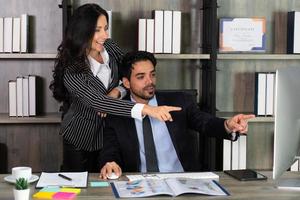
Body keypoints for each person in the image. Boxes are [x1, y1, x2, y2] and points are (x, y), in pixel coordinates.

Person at [49, 4, 181, 172]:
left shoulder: (109, 47)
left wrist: (118, 91)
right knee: (81, 189)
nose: (105, 35)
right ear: (82, 32)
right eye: (98, 30)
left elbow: (128, 76)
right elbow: (98, 102)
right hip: (81, 138)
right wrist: (147, 109)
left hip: (113, 133)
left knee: (110, 184)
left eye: (106, 28)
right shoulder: (72, 70)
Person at [99, 51, 255, 179]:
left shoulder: (179, 101)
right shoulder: (118, 112)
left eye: (152, 74)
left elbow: (205, 122)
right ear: (126, 83)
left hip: (183, 180)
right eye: (141, 77)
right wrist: (110, 162)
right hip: (140, 184)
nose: (150, 81)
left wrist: (228, 125)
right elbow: (110, 149)